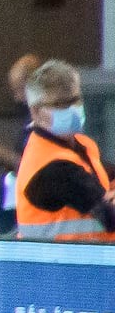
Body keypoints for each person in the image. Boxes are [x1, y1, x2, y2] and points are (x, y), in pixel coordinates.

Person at [15, 59, 114, 239]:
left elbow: (108, 178)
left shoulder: (81, 146)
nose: (72, 109)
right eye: (60, 104)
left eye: (75, 100)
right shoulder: (52, 168)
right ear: (36, 112)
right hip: (59, 265)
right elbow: (109, 215)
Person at [0, 54, 40, 234]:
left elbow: (39, 168)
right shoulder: (30, 122)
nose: (17, 99)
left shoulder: (44, 127)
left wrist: (3, 155)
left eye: (20, 91)